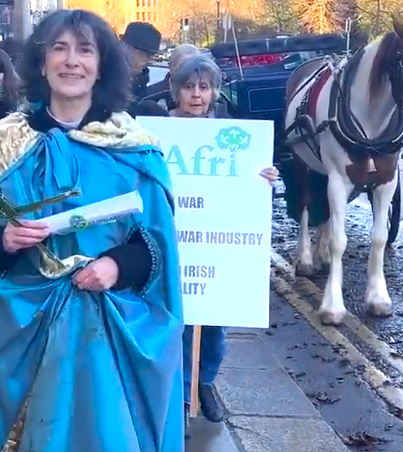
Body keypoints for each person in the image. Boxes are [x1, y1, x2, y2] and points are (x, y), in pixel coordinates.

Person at [0, 9, 183, 452]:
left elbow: (157, 247)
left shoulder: (134, 147)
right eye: (58, 48)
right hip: (26, 325)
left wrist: (117, 266)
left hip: (111, 327)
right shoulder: (3, 144)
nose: (71, 61)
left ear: (102, 65)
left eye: (85, 50)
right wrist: (4, 241)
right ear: (41, 63)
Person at [168, 54, 278, 437]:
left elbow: (246, 189)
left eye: (204, 87)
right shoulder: (158, 132)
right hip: (176, 243)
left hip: (213, 244)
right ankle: (182, 396)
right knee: (179, 325)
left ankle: (205, 382)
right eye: (189, 87)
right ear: (176, 90)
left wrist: (263, 178)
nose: (196, 95)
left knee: (214, 325)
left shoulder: (228, 132)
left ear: (214, 91)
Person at [121, 21, 161, 116]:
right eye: (146, 55)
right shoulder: (105, 78)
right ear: (128, 47)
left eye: (152, 56)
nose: (149, 61)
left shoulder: (141, 80)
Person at [143, 43, 200, 110]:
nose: (188, 72)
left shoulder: (206, 95)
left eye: (194, 68)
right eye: (182, 67)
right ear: (170, 67)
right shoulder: (151, 95)